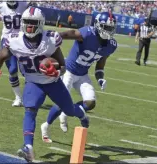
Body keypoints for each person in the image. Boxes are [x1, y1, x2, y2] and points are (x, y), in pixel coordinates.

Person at [0, 7, 89, 162]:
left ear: (41, 24)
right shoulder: (14, 39)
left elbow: (63, 66)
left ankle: (81, 113)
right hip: (33, 82)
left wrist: (54, 70)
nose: (29, 26)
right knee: (30, 110)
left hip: (52, 82)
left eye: (33, 22)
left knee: (69, 110)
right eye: (27, 22)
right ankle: (28, 147)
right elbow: (2, 55)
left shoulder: (50, 39)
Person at [41, 11, 117, 142]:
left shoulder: (111, 45)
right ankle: (45, 126)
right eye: (106, 27)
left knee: (90, 102)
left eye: (111, 28)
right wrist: (54, 36)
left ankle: (66, 113)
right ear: (98, 25)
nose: (109, 31)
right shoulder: (88, 33)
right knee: (60, 103)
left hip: (83, 75)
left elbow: (100, 65)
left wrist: (100, 78)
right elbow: (70, 33)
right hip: (69, 72)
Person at [0, 1, 29, 107]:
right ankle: (18, 98)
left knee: (27, 71)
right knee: (13, 70)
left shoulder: (24, 4)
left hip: (23, 41)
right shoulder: (1, 6)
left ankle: (29, 95)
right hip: (7, 41)